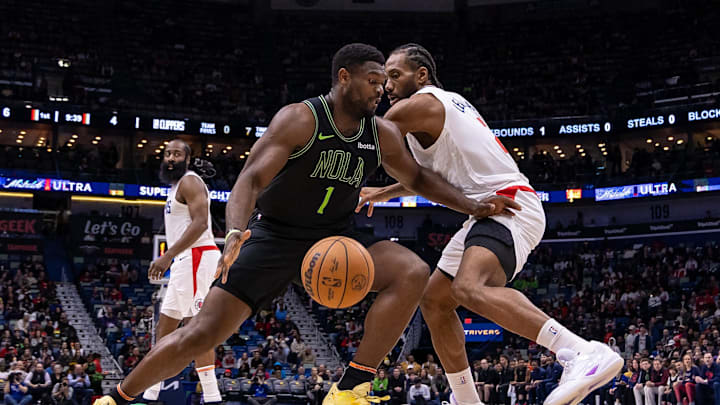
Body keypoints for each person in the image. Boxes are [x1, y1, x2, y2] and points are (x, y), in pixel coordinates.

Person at [93, 43, 511, 405]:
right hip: (275, 235)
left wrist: (470, 205)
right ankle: (117, 396)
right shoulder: (301, 119)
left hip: (337, 236)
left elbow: (418, 178)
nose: (381, 90)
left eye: (384, 82)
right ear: (344, 78)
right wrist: (236, 230)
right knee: (201, 334)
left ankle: (352, 385)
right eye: (372, 81)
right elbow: (250, 179)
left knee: (412, 271)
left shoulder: (380, 133)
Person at [357, 42, 622, 405]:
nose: (386, 85)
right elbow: (428, 176)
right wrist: (381, 193)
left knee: (468, 287)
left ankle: (580, 352)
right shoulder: (441, 108)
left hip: (508, 205)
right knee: (434, 301)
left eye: (394, 75)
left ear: (421, 75)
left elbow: (369, 140)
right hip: (486, 209)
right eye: (384, 78)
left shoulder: (419, 104)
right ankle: (466, 399)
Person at [141, 139, 223, 404]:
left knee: (196, 328)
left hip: (197, 256)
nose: (170, 158)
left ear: (187, 159)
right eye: (167, 154)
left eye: (177, 153)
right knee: (165, 326)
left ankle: (211, 397)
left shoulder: (189, 181)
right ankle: (152, 392)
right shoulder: (177, 184)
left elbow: (200, 224)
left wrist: (167, 255)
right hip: (187, 260)